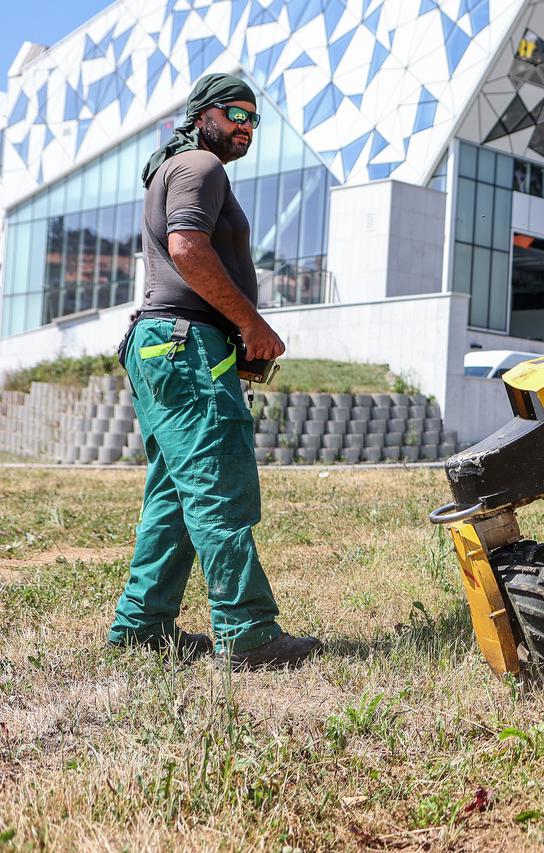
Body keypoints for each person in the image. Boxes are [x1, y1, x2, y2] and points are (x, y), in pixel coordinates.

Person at [108, 73, 321, 670]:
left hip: (167, 345)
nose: (246, 128)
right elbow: (187, 249)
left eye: (255, 120)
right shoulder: (200, 167)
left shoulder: (177, 167)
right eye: (235, 114)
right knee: (217, 487)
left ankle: (142, 627)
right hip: (184, 346)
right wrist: (252, 325)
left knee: (175, 493)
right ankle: (248, 634)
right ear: (203, 114)